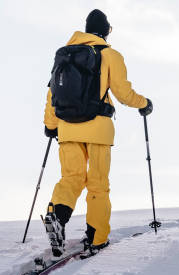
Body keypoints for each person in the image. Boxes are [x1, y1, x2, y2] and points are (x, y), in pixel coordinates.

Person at [43, 9, 153, 258]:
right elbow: (123, 93)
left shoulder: (64, 55)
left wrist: (50, 125)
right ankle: (96, 237)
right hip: (98, 128)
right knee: (98, 184)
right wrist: (144, 103)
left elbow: (52, 94)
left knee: (70, 178)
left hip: (67, 127)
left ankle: (57, 215)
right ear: (105, 31)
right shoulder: (110, 55)